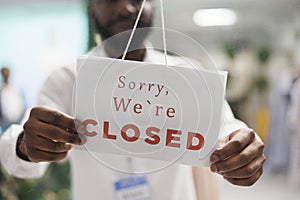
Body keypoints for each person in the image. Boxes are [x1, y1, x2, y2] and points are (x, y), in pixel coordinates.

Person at [0, 0, 265, 199]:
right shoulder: (67, 80)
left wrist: (242, 149)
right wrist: (25, 146)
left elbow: (227, 127)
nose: (127, 7)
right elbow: (19, 161)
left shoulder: (189, 75)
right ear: (93, 10)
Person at [0, 67, 25, 133]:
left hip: (18, 121)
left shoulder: (15, 90)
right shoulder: (1, 91)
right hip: (5, 123)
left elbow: (21, 104)